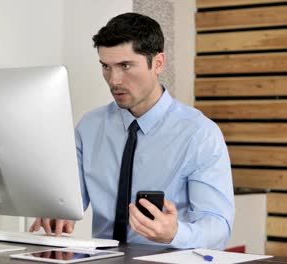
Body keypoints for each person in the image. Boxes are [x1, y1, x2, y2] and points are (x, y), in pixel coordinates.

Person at [29, 12, 234, 250]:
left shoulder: (199, 134)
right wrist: (56, 212)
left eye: (125, 66)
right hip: (102, 258)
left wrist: (175, 233)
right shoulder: (90, 127)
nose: (114, 80)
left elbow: (219, 228)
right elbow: (69, 202)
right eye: (106, 66)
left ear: (158, 63)